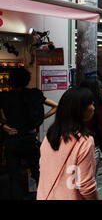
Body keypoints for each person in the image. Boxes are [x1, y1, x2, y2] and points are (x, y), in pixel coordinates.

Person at [0, 67, 58, 200]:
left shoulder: (4, 97)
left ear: (10, 81)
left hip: (12, 140)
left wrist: (4, 126)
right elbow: (56, 106)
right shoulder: (34, 94)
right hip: (29, 139)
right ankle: (44, 196)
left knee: (14, 176)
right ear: (27, 80)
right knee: (38, 173)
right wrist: (41, 118)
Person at [37, 87, 98, 200]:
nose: (93, 108)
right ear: (80, 110)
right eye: (90, 104)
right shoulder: (84, 141)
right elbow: (86, 185)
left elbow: (43, 170)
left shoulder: (49, 136)